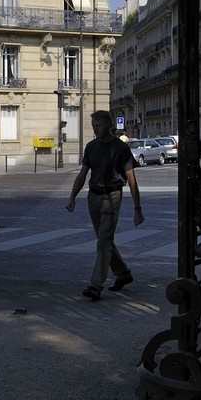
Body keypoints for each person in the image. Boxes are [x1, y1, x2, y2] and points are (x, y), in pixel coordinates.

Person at [65, 109, 144, 300]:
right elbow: (83, 174)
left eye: (98, 125)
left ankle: (95, 285)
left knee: (103, 242)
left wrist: (137, 209)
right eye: (93, 126)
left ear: (109, 126)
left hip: (112, 196)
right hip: (94, 197)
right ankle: (123, 274)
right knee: (105, 241)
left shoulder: (121, 148)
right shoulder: (91, 147)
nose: (94, 129)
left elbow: (131, 179)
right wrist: (72, 197)